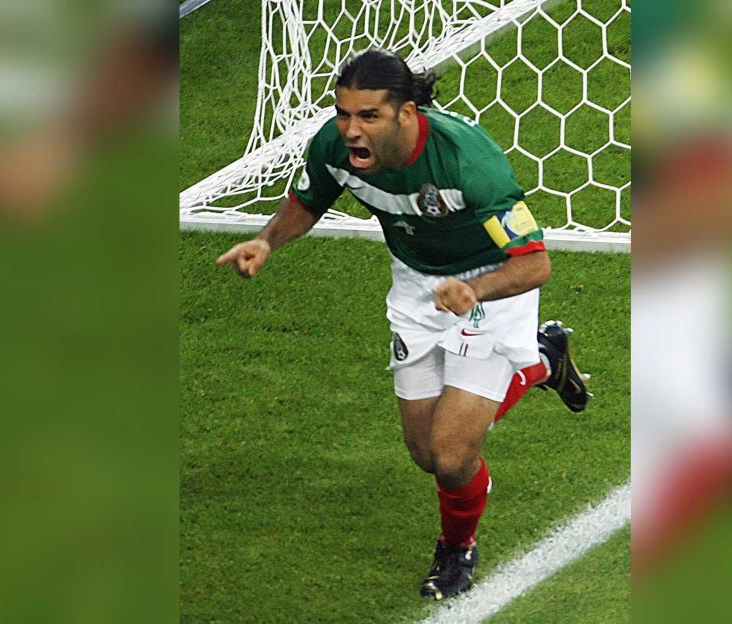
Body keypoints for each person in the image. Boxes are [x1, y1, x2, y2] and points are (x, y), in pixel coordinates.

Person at [216, 48, 590, 601]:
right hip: (417, 287)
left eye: (368, 116)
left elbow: (535, 264)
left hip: (490, 285)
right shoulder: (334, 148)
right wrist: (266, 241)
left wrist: (473, 290)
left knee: (450, 455)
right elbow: (308, 198)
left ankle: (457, 548)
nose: (350, 129)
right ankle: (541, 361)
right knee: (423, 453)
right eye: (344, 114)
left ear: (407, 113)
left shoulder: (467, 161)